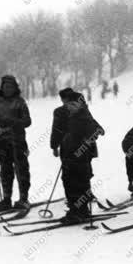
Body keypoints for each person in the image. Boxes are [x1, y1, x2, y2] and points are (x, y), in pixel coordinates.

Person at [50, 88, 104, 222]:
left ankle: (79, 211)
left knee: (78, 181)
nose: (70, 106)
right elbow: (57, 131)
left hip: (79, 154)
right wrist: (55, 145)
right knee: (73, 181)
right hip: (70, 153)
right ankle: (78, 210)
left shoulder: (82, 115)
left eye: (73, 104)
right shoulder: (68, 113)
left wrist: (88, 139)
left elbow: (96, 131)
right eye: (69, 104)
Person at [0, 75, 32, 211]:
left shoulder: (20, 102)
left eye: (11, 87)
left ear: (15, 88)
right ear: (2, 88)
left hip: (18, 141)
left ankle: (23, 198)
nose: (8, 89)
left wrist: (15, 123)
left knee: (21, 170)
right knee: (5, 171)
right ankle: (6, 199)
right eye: (5, 87)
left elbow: (28, 121)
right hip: (2, 142)